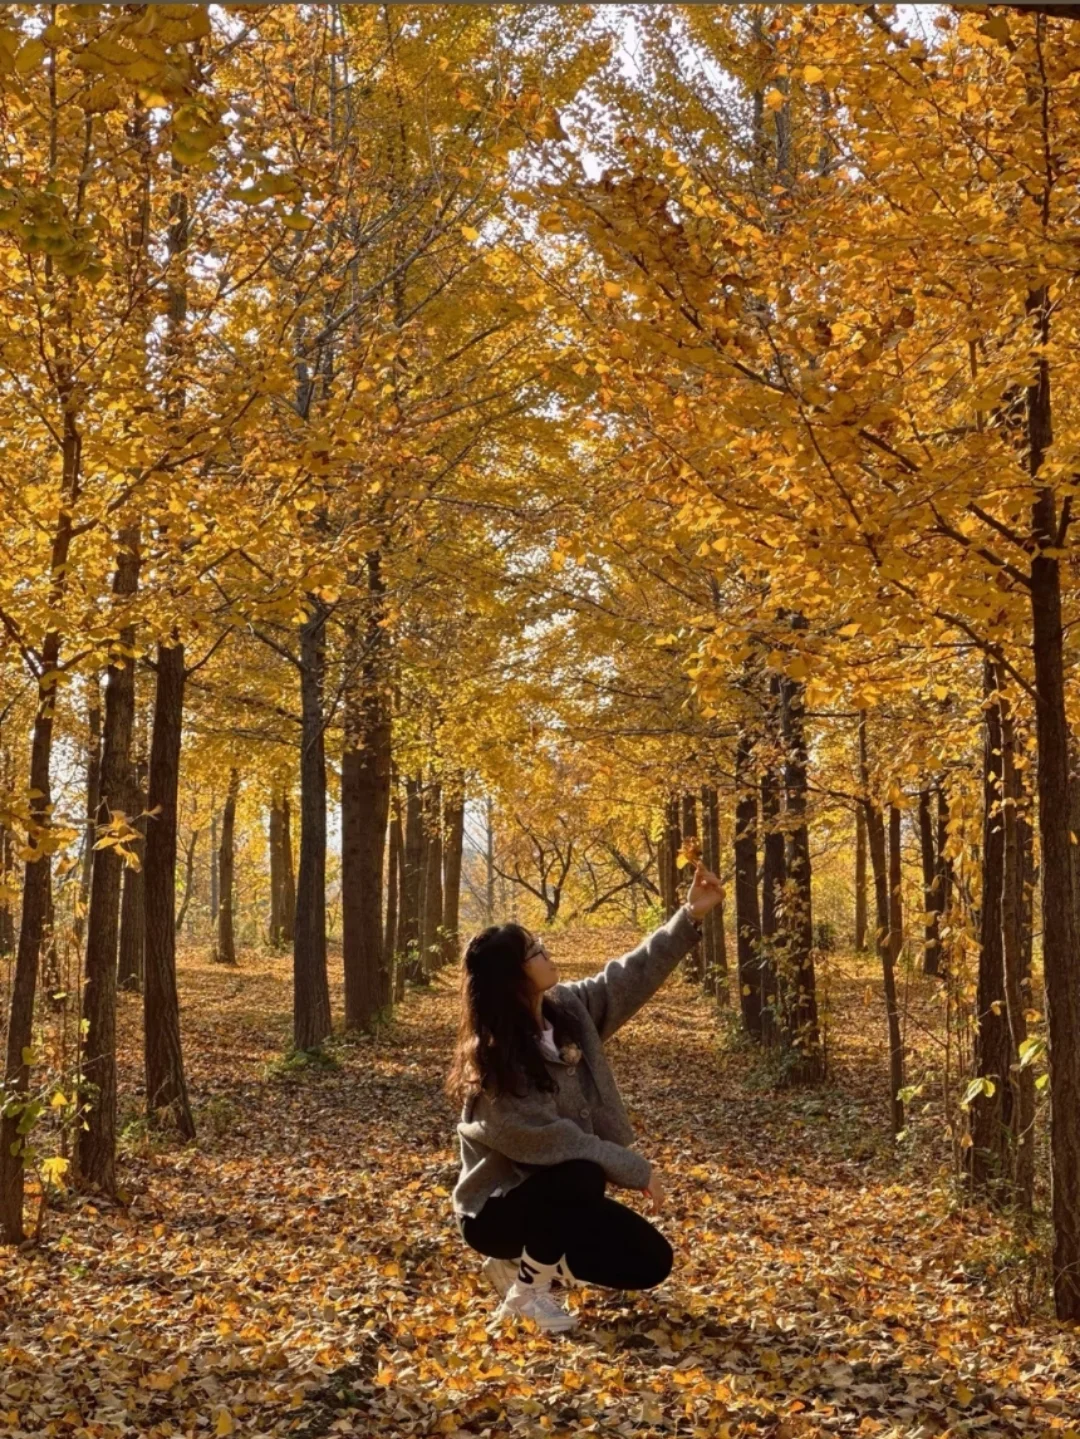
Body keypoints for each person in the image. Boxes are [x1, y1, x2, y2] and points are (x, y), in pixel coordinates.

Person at [445, 861, 724, 1332]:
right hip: (497, 1211)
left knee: (649, 1261)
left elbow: (627, 976)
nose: (548, 954)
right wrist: (637, 1170)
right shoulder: (494, 1065)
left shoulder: (567, 1010)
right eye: (535, 951)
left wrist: (689, 917)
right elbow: (559, 1144)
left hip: (557, 1199)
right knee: (580, 1172)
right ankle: (527, 1294)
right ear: (512, 976)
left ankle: (531, 1267)